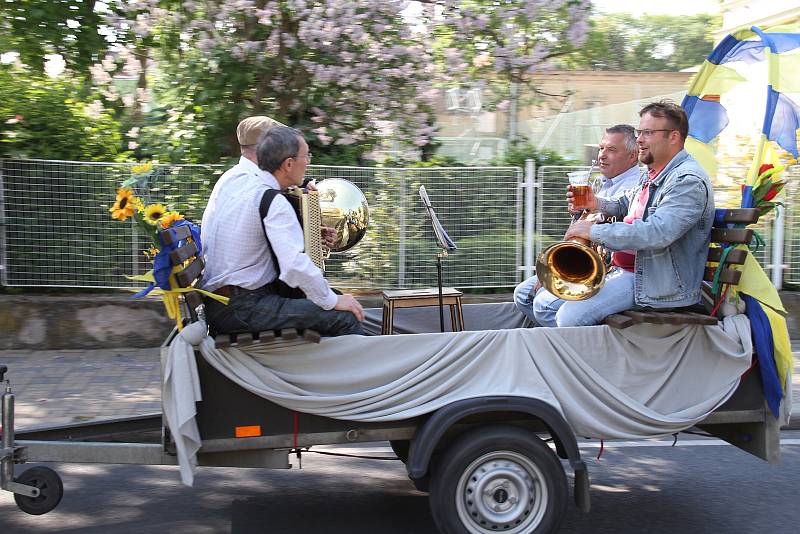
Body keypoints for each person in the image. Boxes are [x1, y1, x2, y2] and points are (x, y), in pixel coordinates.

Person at [521, 101, 714, 327]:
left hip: (656, 284)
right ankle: (590, 357)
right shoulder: (653, 173)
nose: (639, 139)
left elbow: (658, 233)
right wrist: (597, 203)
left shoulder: (687, 181)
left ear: (673, 137)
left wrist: (594, 231)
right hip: (631, 272)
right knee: (541, 304)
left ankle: (596, 360)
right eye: (640, 131)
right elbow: (625, 204)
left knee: (569, 317)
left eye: (648, 133)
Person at [200, 119, 364, 337]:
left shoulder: (237, 182)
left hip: (225, 302)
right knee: (345, 318)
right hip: (241, 308)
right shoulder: (270, 198)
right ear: (287, 164)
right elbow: (294, 266)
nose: (307, 163)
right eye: (306, 156)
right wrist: (332, 300)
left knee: (327, 299)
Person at [514, 124, 641, 322]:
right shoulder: (601, 182)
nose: (602, 155)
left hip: (612, 269)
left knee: (543, 304)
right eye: (601, 148)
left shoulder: (636, 184)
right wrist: (578, 213)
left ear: (633, 156)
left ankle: (575, 341)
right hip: (592, 264)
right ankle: (569, 338)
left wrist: (594, 217)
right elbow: (583, 231)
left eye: (612, 150)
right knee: (523, 295)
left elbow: (625, 228)